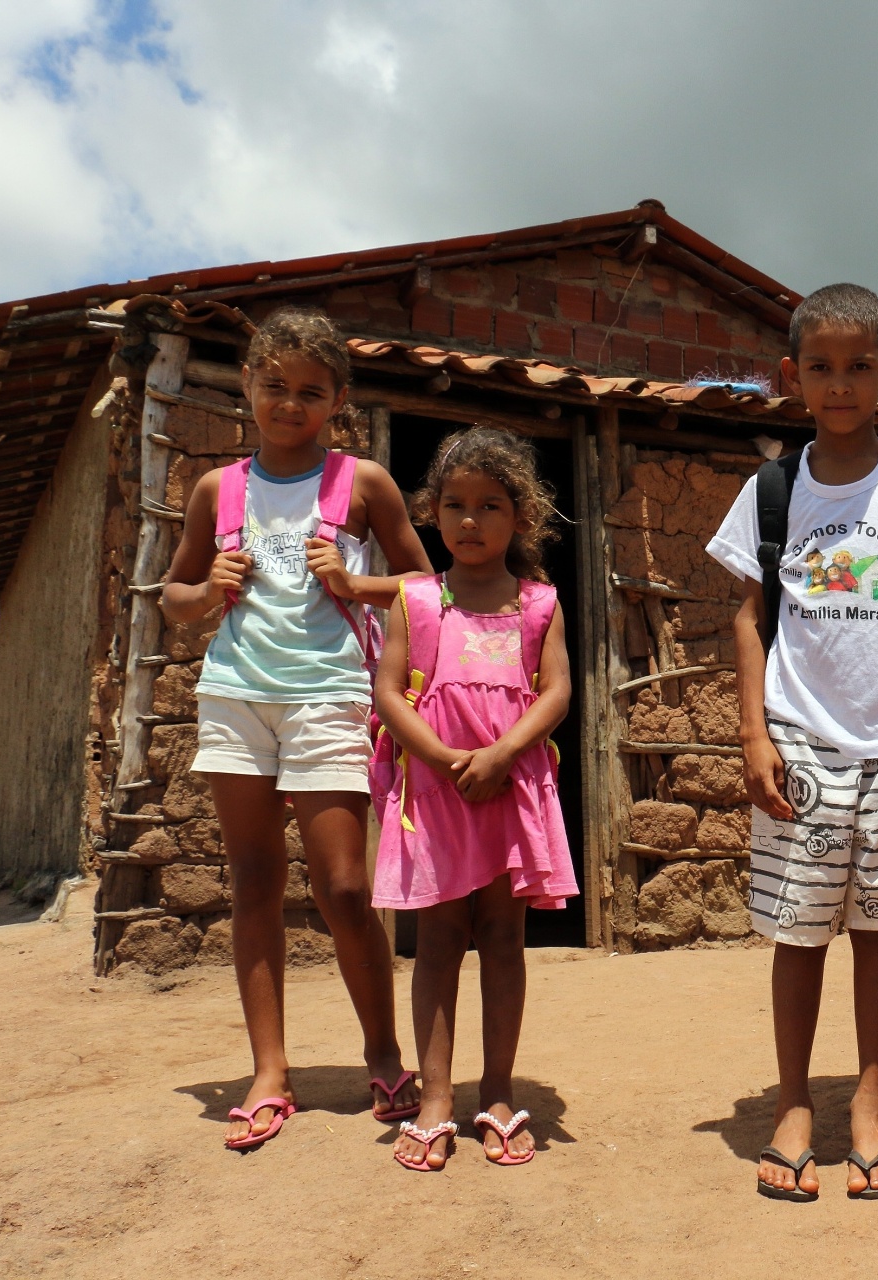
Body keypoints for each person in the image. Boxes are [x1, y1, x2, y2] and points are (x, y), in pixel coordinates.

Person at [704, 283, 878, 1202]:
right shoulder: (773, 490)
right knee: (798, 930)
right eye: (822, 367)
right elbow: (747, 615)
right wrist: (751, 731)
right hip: (802, 738)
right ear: (792, 377)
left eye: (861, 366)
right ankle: (791, 1106)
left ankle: (869, 1102)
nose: (842, 383)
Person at [162, 308, 432, 1151]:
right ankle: (270, 1071)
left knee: (345, 888)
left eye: (309, 392)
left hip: (329, 695)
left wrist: (356, 582)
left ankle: (384, 1054)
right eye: (272, 385)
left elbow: (428, 588)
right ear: (247, 385)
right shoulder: (219, 490)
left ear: (337, 401)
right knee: (252, 881)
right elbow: (172, 598)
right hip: (238, 695)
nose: (288, 403)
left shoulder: (365, 483)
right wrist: (207, 592)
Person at [370, 427, 576, 1171]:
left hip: (508, 787)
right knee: (436, 943)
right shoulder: (415, 597)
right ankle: (433, 1097)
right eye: (454, 504)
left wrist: (499, 755)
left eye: (490, 505)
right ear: (431, 511)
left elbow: (556, 693)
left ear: (520, 517)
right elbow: (390, 690)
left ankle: (494, 1089)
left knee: (502, 939)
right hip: (436, 792)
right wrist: (438, 755)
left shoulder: (539, 603)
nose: (469, 520)